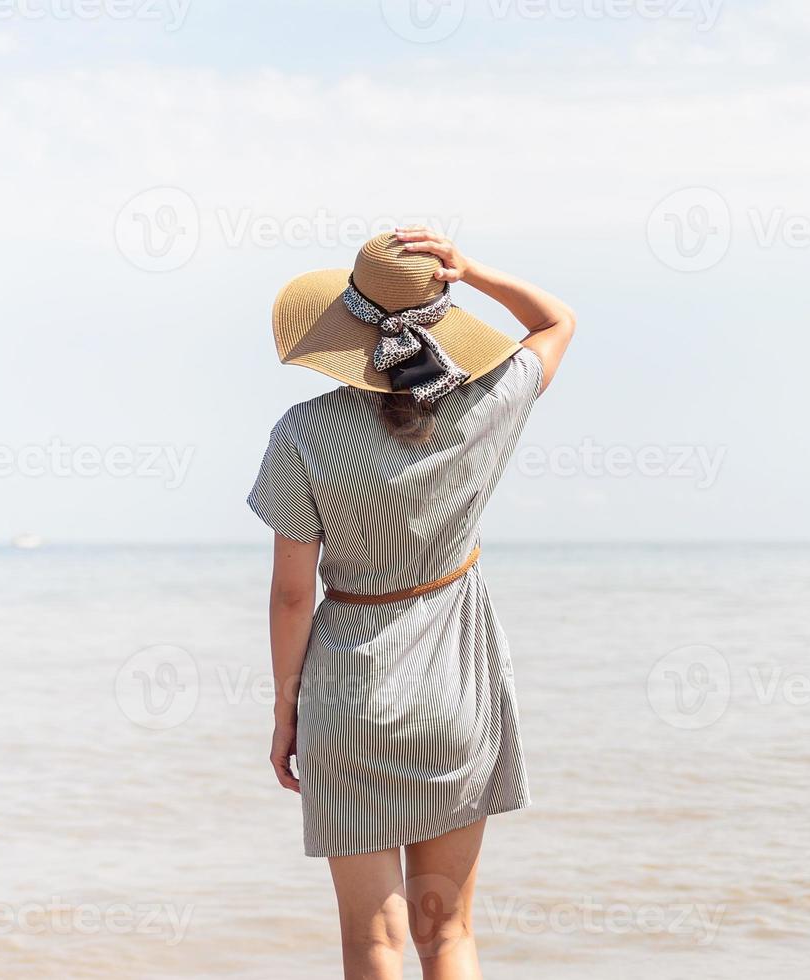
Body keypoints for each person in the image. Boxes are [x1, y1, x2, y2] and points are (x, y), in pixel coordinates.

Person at [247, 227, 576, 979]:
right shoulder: (493, 397)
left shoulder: (301, 434)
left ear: (342, 325)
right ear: (442, 311)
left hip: (348, 697)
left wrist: (284, 711)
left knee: (371, 942)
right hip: (454, 687)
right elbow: (557, 320)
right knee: (449, 932)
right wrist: (473, 268)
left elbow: (292, 595)